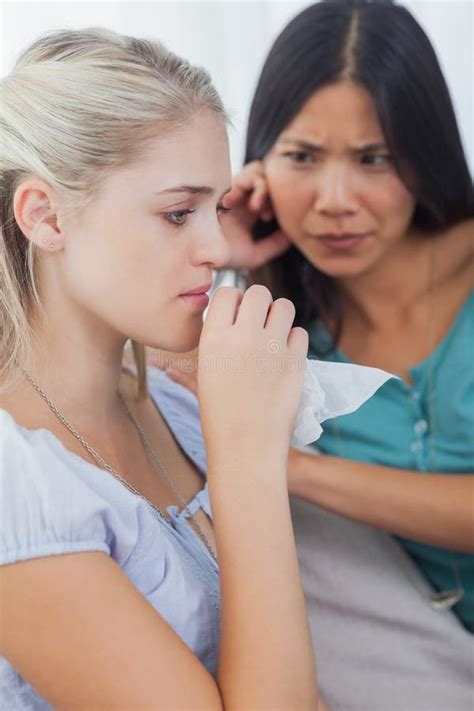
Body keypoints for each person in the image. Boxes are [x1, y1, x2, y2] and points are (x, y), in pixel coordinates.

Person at [0, 28, 325, 710]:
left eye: (220, 208)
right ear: (46, 215)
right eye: (178, 212)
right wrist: (247, 456)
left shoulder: (174, 396)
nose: (215, 247)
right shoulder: (16, 491)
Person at [166, 1, 474, 708]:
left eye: (375, 158)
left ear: (424, 154)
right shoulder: (280, 317)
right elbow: (118, 387)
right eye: (303, 157)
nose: (335, 201)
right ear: (261, 162)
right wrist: (220, 248)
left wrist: (291, 467)